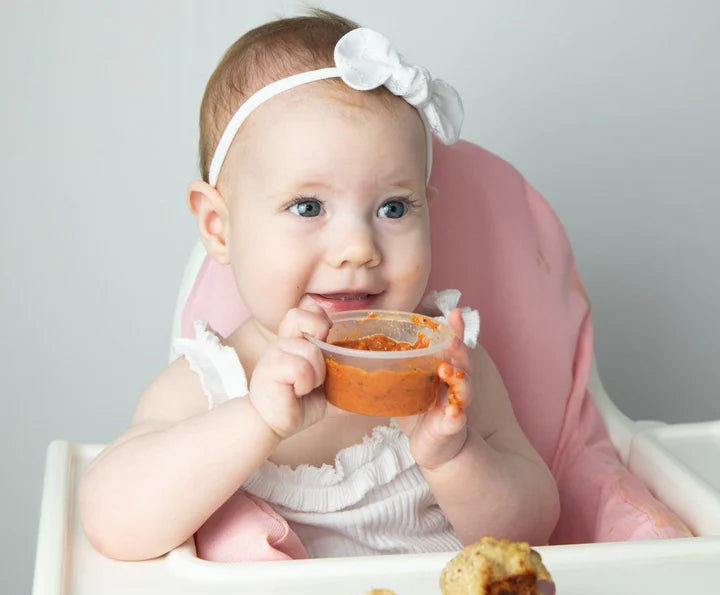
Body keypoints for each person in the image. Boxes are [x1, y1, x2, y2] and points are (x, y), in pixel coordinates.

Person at [78, 9, 561, 562]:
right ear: (219, 227)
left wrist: (453, 456)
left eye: (393, 207)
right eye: (308, 207)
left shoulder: (448, 369)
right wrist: (256, 420)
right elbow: (111, 521)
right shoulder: (208, 386)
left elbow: (536, 532)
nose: (357, 247)